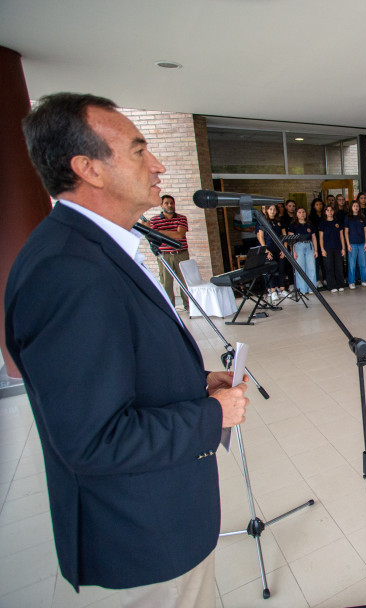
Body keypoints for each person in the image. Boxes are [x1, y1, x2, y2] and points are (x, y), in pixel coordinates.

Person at [6, 92, 249, 603]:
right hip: (141, 537)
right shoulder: (68, 272)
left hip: (162, 516)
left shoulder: (98, 249)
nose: (158, 165)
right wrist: (212, 414)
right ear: (88, 168)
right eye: (140, 151)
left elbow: (118, 365)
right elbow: (94, 439)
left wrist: (197, 383)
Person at [145, 194, 189, 309]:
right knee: (166, 283)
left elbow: (180, 234)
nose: (170, 205)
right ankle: (171, 309)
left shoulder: (182, 218)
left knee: (185, 281)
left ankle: (189, 307)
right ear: (161, 205)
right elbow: (153, 236)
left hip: (181, 254)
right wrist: (167, 232)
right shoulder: (154, 220)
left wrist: (159, 231)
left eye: (171, 203)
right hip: (164, 255)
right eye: (166, 203)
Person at [257, 203, 288, 302]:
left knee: (281, 269)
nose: (272, 211)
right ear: (267, 210)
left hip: (279, 248)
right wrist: (265, 250)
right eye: (270, 209)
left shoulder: (280, 221)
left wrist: (284, 249)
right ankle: (273, 291)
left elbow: (284, 236)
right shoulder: (263, 222)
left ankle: (282, 289)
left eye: (274, 209)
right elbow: (261, 237)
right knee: (271, 270)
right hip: (269, 248)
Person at [288, 207, 318, 294]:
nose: (302, 214)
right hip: (298, 246)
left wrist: (316, 250)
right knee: (300, 268)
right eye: (300, 212)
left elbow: (314, 238)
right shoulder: (293, 225)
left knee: (311, 267)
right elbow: (290, 240)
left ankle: (312, 288)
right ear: (296, 214)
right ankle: (302, 289)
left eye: (303, 212)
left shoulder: (309, 224)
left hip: (309, 246)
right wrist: (293, 251)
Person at [319, 205, 346, 292]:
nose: (330, 212)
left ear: (333, 211)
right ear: (325, 212)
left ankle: (340, 284)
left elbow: (342, 236)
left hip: (338, 248)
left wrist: (343, 248)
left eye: (331, 210)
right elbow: (321, 238)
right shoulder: (323, 223)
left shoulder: (337, 222)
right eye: (328, 210)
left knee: (339, 267)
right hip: (327, 248)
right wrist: (322, 249)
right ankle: (332, 286)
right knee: (329, 267)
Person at [344, 199, 366, 289]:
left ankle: (364, 280)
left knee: (363, 264)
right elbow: (346, 232)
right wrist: (348, 244)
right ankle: (351, 282)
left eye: (357, 206)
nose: (356, 207)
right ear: (351, 207)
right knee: (352, 264)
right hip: (352, 244)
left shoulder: (362, 217)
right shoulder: (348, 217)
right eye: (354, 206)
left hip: (362, 243)